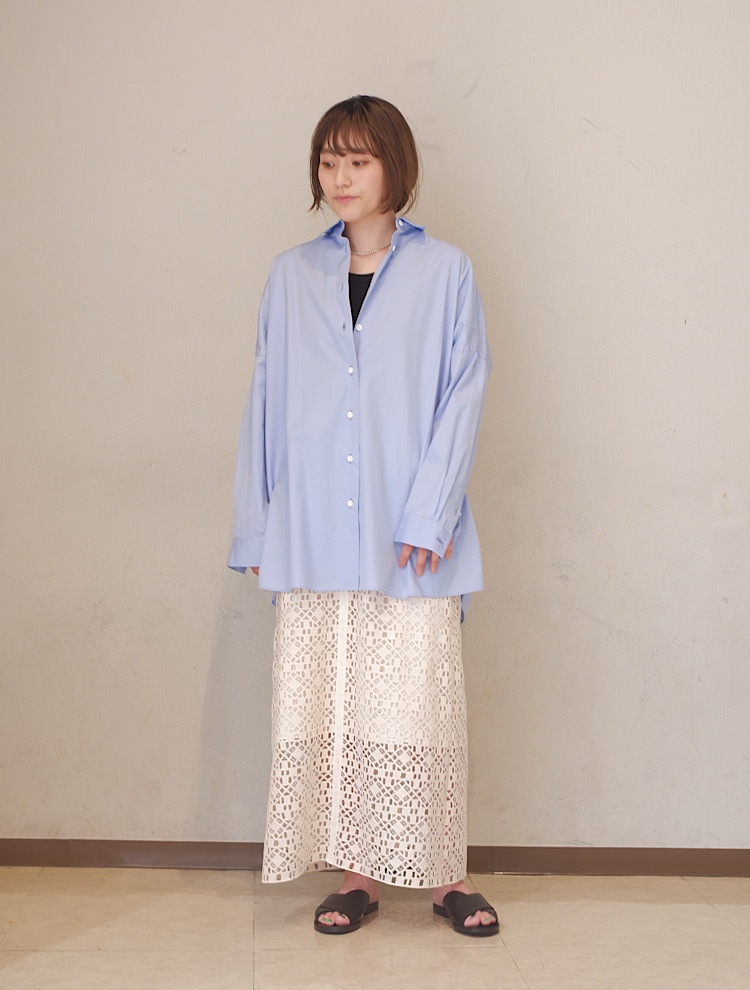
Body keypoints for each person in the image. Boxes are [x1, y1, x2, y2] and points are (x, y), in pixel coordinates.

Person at [229, 95, 496, 937]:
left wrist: (430, 514)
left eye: (358, 160)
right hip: (310, 531)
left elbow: (463, 393)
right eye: (329, 161)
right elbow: (266, 401)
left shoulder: (445, 271)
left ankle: (448, 878)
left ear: (394, 167)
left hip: (408, 535)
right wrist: (257, 526)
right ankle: (358, 879)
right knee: (333, 706)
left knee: (419, 709)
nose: (340, 177)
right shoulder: (290, 276)